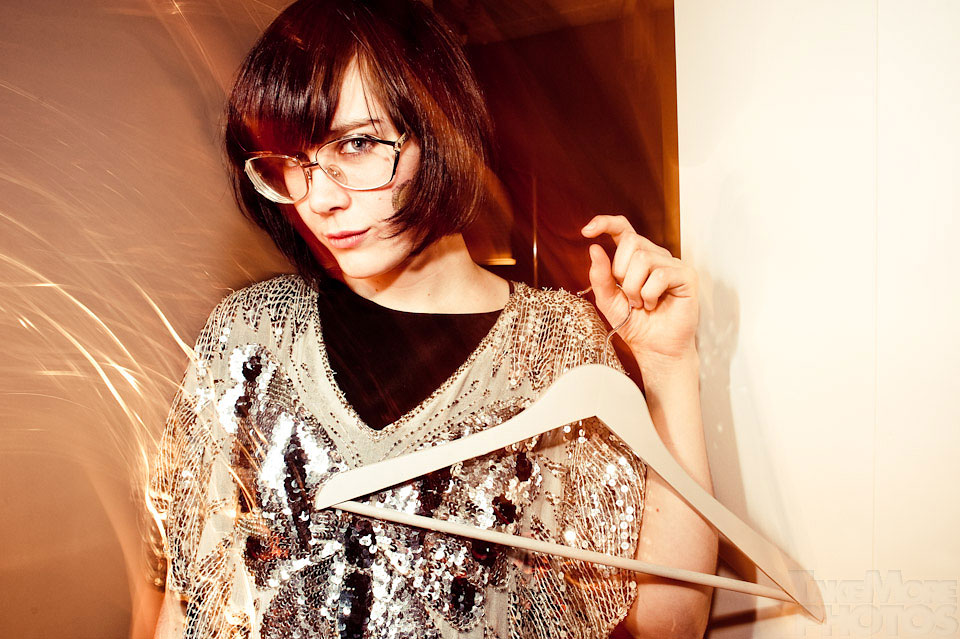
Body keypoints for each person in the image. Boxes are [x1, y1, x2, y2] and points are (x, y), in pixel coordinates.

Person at [148, 0, 718, 637]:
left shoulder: (556, 347)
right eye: (291, 164)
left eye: (357, 144)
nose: (321, 198)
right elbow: (184, 600)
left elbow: (669, 622)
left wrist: (668, 365)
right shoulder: (249, 336)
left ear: (440, 129)